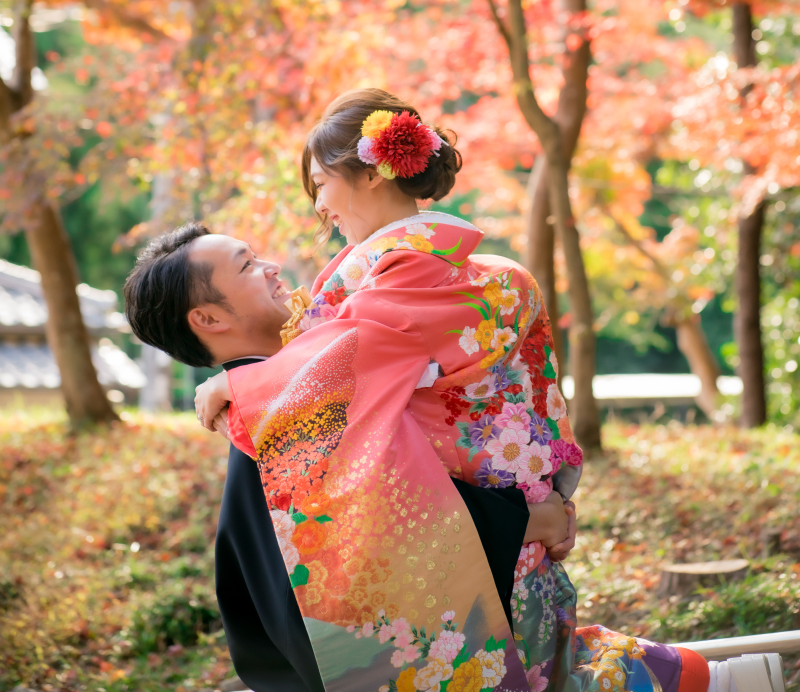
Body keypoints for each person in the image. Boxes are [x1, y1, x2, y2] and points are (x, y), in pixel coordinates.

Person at [195, 89, 711, 692]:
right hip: (488, 500)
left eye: (322, 184)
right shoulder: (439, 266)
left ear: (369, 173)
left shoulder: (412, 267)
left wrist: (239, 380)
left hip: (474, 500)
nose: (320, 206)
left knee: (536, 667)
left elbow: (350, 358)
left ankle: (711, 681)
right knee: (546, 664)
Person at [124, 223, 573, 692]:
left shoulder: (294, 389)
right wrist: (531, 520)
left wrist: (542, 499)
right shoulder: (283, 415)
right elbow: (389, 522)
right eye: (247, 265)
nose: (271, 267)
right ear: (210, 320)